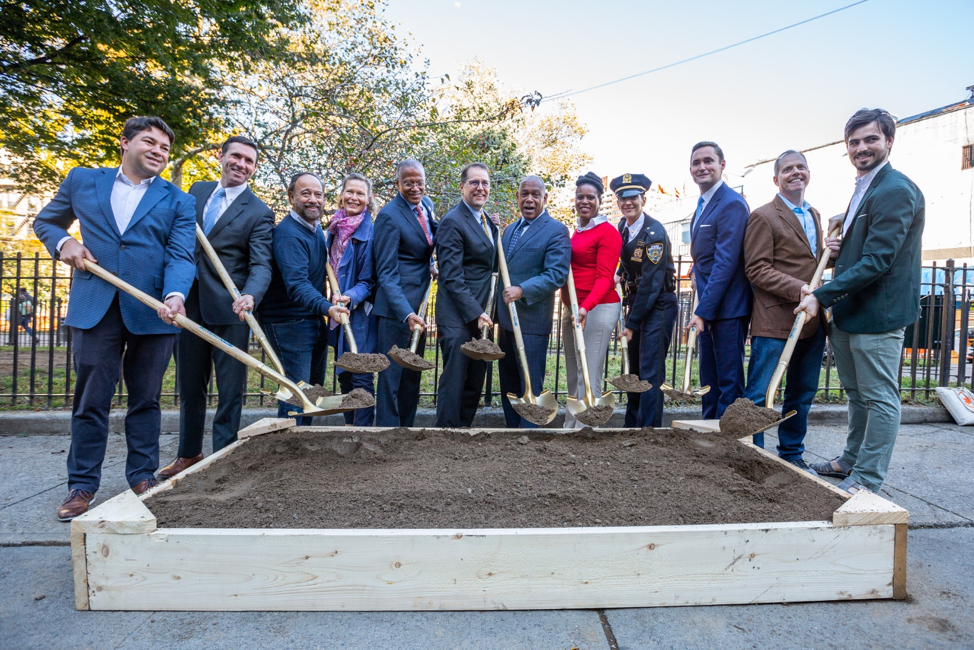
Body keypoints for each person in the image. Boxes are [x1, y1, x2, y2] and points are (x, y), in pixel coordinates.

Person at [32, 116, 196, 520]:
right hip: (95, 306)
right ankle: (82, 484)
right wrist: (65, 242)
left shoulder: (178, 199)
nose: (158, 151)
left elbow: (180, 255)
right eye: (150, 142)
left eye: (164, 147)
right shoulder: (83, 181)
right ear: (124, 143)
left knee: (147, 399)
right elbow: (46, 222)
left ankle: (142, 476)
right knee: (91, 399)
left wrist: (175, 294)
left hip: (152, 311)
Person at [799, 109, 925, 495]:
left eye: (870, 139)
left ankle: (867, 479)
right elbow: (863, 249)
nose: (861, 148)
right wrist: (838, 250)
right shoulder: (865, 188)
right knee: (856, 395)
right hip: (852, 313)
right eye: (854, 142)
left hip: (879, 314)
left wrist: (820, 295)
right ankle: (850, 460)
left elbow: (879, 260)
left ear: (889, 141)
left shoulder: (895, 190)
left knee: (879, 397)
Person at [158, 136, 274, 480]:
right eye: (236, 156)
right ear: (220, 156)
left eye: (249, 161)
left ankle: (223, 460)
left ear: (254, 168)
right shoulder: (195, 191)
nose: (241, 164)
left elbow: (261, 265)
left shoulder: (258, 211)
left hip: (231, 311)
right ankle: (189, 454)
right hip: (187, 305)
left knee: (230, 390)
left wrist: (250, 295)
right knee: (191, 387)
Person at [741, 150, 826, 474]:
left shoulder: (814, 214)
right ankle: (753, 456)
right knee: (760, 393)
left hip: (811, 319)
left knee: (801, 393)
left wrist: (829, 254)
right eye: (788, 169)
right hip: (776, 319)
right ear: (776, 179)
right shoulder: (764, 216)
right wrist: (799, 288)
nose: (796, 172)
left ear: (808, 173)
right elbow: (757, 268)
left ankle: (791, 454)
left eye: (800, 167)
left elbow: (809, 260)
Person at [256, 172, 349, 425]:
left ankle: (302, 444)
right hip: (288, 323)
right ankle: (290, 450)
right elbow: (297, 285)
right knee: (297, 395)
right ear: (291, 197)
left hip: (309, 318)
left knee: (311, 393)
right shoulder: (288, 234)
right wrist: (328, 307)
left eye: (318, 194)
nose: (313, 199)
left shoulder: (315, 229)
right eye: (305, 193)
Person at [497, 176, 571, 428]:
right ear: (517, 197)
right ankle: (512, 432)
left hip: (531, 321)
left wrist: (522, 290)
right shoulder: (509, 230)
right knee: (508, 383)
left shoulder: (556, 230)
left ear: (545, 198)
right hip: (506, 320)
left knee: (529, 383)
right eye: (524, 194)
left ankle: (528, 436)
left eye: (535, 194)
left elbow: (556, 274)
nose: (529, 199)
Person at [688, 141, 752, 419]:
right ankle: (708, 435)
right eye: (696, 162)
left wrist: (703, 312)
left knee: (729, 383)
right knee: (709, 382)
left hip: (728, 309)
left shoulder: (732, 203)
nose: (702, 167)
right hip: (711, 306)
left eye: (708, 161)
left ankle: (729, 444)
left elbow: (726, 263)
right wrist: (693, 271)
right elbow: (707, 254)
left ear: (721, 165)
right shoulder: (703, 203)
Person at [434, 162, 499, 427]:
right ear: (462, 187)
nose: (480, 188)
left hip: (482, 313)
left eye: (485, 183)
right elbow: (451, 276)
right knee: (456, 376)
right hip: (458, 316)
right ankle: (446, 432)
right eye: (474, 182)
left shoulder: (485, 221)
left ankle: (463, 430)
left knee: (475, 375)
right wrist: (477, 313)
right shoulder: (452, 221)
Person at [373, 159, 437, 427]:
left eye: (419, 182)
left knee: (412, 374)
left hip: (420, 305)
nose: (414, 187)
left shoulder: (427, 206)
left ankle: (407, 432)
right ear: (397, 183)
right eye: (408, 182)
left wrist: (433, 264)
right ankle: (386, 433)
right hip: (396, 312)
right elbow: (386, 273)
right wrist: (406, 312)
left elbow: (428, 244)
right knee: (392, 378)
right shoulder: (389, 215)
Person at [613, 174, 678, 428]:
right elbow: (627, 259)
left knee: (650, 371)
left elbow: (651, 284)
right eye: (622, 198)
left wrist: (632, 323)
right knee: (635, 369)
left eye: (633, 198)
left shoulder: (654, 232)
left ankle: (648, 431)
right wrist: (620, 273)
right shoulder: (622, 227)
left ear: (644, 199)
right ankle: (632, 427)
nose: (627, 203)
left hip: (659, 304)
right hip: (638, 303)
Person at [561, 172, 623, 429]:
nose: (584, 201)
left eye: (590, 197)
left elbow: (605, 278)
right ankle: (570, 425)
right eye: (580, 197)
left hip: (599, 306)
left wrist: (586, 307)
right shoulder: (578, 231)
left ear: (599, 200)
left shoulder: (607, 233)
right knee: (575, 371)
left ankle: (587, 429)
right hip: (575, 308)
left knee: (590, 371)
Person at [326, 173, 378, 426]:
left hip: (358, 313)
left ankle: (363, 430)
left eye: (360, 193)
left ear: (368, 199)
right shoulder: (333, 229)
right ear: (342, 195)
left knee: (360, 373)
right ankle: (349, 425)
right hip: (337, 311)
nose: (354, 197)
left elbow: (369, 281)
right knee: (344, 373)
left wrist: (349, 297)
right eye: (350, 192)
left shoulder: (370, 234)